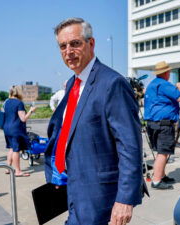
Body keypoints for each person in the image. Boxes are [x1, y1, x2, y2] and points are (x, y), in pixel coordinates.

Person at [44, 18, 143, 225]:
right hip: (72, 186)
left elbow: (130, 145)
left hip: (99, 195)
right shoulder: (73, 83)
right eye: (63, 46)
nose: (68, 51)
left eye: (75, 43)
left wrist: (125, 199)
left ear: (91, 43)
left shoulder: (112, 83)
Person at [144, 61, 180, 190]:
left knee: (161, 152)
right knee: (163, 153)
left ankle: (161, 175)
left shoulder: (152, 84)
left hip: (152, 123)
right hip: (163, 124)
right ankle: (156, 181)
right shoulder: (164, 84)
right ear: (166, 73)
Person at [3, 86, 36, 177]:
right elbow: (23, 119)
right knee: (16, 150)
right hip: (15, 129)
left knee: (11, 148)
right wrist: (31, 111)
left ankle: (7, 168)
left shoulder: (6, 102)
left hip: (6, 128)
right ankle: (17, 171)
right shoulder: (19, 103)